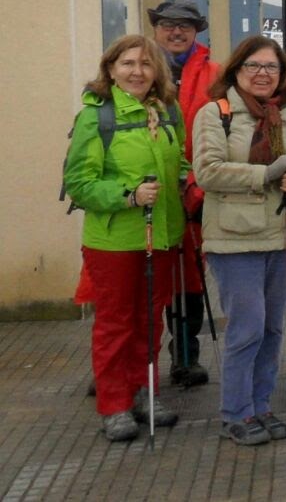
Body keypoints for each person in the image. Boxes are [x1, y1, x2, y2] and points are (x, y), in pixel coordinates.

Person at [193, 36, 286, 445]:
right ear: (237, 70)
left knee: (271, 329)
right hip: (235, 239)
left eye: (271, 67)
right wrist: (266, 175)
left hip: (285, 234)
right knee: (246, 329)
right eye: (254, 66)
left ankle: (261, 406)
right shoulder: (216, 114)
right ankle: (237, 413)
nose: (263, 74)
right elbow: (208, 172)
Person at [65, 35, 187, 441]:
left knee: (151, 322)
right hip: (113, 241)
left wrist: (187, 180)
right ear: (111, 68)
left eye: (146, 64)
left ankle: (143, 391)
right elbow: (79, 183)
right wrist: (128, 196)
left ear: (158, 72)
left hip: (163, 234)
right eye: (128, 63)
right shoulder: (96, 116)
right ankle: (114, 404)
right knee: (116, 323)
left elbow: (181, 158)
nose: (137, 72)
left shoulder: (168, 110)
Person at [147, 0, 219, 388]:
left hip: (196, 191)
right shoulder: (135, 69)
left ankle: (185, 355)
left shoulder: (215, 74)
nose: (176, 32)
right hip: (144, 192)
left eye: (185, 26)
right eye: (169, 25)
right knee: (140, 279)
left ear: (197, 31)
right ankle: (132, 365)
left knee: (190, 276)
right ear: (156, 28)